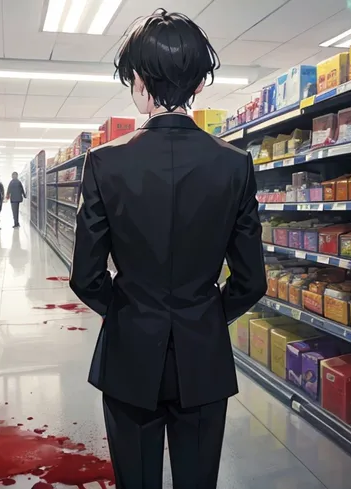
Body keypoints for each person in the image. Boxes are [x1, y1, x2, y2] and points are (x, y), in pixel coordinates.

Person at [69, 9, 266, 489]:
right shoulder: (235, 165)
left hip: (129, 354)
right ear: (199, 86)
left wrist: (128, 311)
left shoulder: (103, 163)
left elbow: (86, 276)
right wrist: (204, 313)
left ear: (138, 81)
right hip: (204, 357)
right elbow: (251, 281)